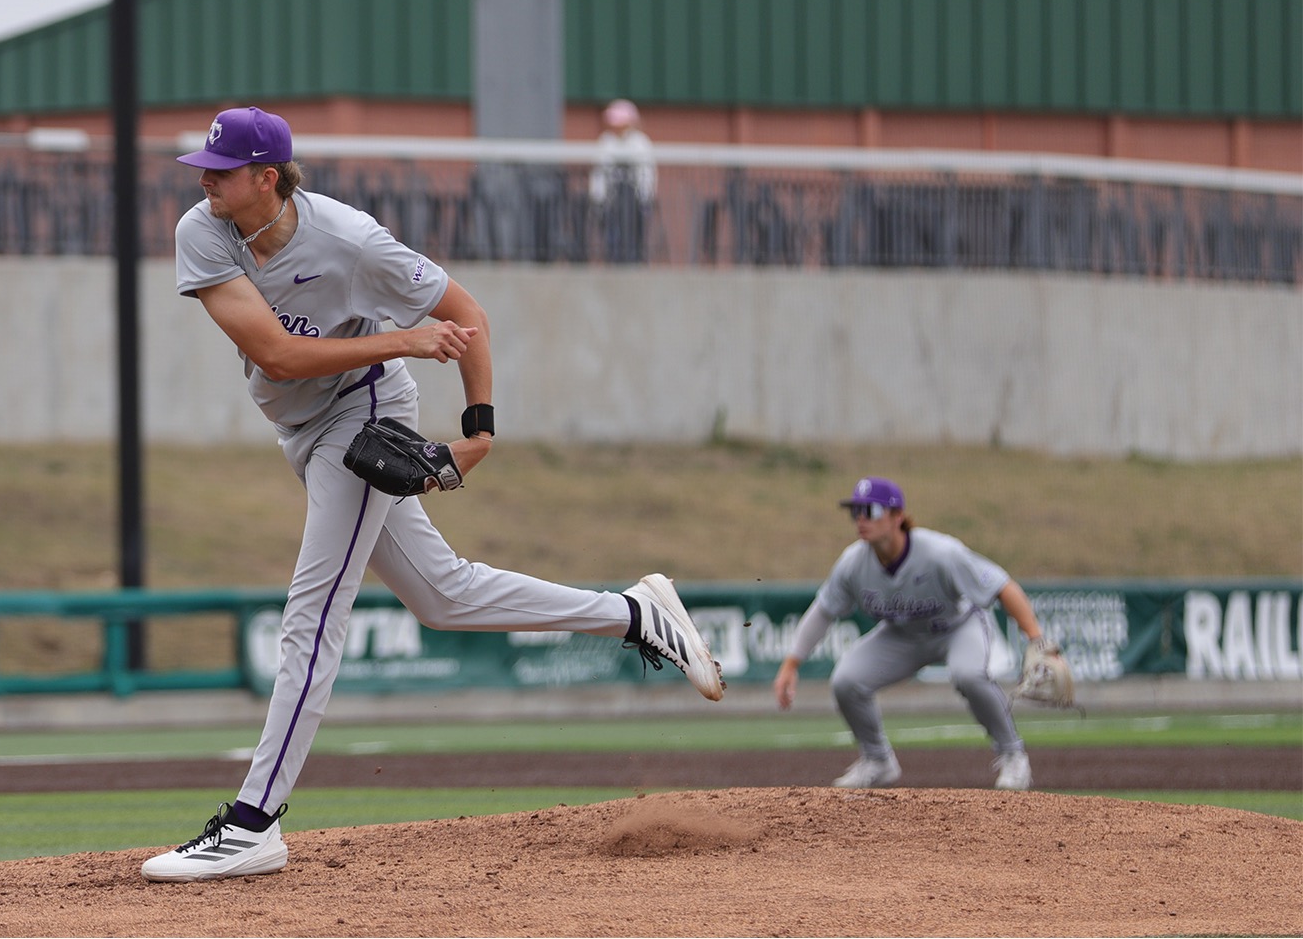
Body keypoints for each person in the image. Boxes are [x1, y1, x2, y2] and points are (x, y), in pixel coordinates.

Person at [141, 106, 725, 883]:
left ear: (267, 178)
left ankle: (254, 823)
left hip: (364, 414)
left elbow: (467, 317)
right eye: (204, 168)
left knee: (312, 616)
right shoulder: (204, 229)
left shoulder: (349, 239)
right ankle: (636, 614)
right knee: (444, 597)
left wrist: (479, 430)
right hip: (303, 422)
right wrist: (406, 338)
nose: (204, 179)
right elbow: (277, 357)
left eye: (220, 169)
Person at [772, 476, 1043, 791]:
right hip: (902, 634)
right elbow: (823, 610)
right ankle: (877, 760)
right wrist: (791, 664)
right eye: (856, 511)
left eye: (870, 510)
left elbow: (1002, 585)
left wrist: (1036, 639)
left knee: (969, 675)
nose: (861, 519)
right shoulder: (853, 562)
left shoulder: (941, 553)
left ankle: (1013, 755)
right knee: (847, 680)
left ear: (897, 516)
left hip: (957, 626)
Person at [587, 99, 656, 262]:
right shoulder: (606, 142)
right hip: (610, 201)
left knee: (633, 229)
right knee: (611, 228)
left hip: (635, 202)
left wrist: (645, 198)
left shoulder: (640, 143)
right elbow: (598, 172)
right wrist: (598, 198)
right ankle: (614, 256)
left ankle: (634, 257)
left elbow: (647, 174)